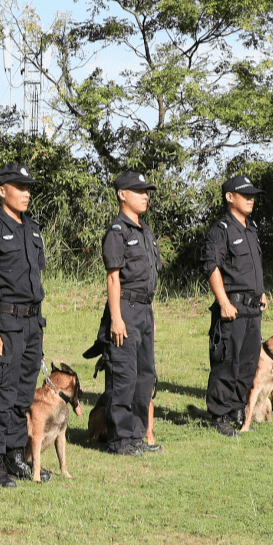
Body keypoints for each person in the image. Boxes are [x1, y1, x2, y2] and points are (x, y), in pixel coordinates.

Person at [0, 163, 47, 487]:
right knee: (1, 394)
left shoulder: (31, 229)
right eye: (19, 187)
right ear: (2, 191)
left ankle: (16, 456)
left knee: (23, 396)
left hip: (32, 324)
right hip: (5, 324)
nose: (26, 193)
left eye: (29, 188)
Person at [93, 170, 161, 455]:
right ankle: (119, 439)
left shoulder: (145, 231)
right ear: (122, 194)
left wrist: (150, 316)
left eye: (147, 191)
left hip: (144, 311)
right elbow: (113, 279)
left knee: (145, 376)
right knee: (124, 375)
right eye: (138, 191)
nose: (145, 196)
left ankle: (136, 434)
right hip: (125, 310)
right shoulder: (117, 232)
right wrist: (117, 317)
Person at [202, 174, 269, 436]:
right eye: (245, 195)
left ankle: (237, 410)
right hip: (232, 309)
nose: (251, 199)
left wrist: (261, 293)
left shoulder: (250, 229)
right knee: (227, 361)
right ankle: (219, 414)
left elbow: (254, 268)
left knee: (248, 363)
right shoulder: (221, 230)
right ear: (230, 197)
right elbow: (211, 266)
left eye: (253, 195)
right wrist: (223, 302)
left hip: (253, 309)